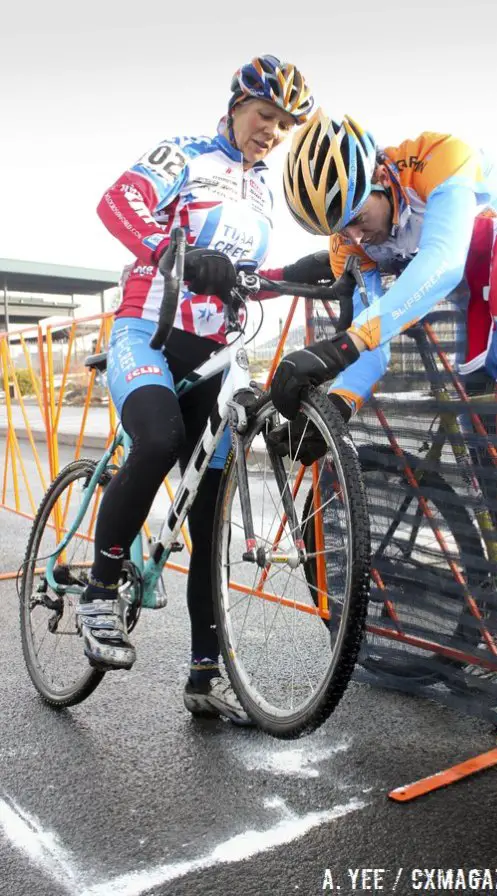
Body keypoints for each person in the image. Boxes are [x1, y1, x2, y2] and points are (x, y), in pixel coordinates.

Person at [270, 109, 497, 689]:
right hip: (472, 316)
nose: (356, 239)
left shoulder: (440, 160)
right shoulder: (352, 240)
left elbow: (440, 265)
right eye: (341, 232)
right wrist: (340, 403)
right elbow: (373, 342)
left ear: (381, 178)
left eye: (359, 219)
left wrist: (352, 337)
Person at [78, 55, 332, 725]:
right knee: (158, 439)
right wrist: (176, 250)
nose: (271, 132)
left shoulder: (261, 192)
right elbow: (118, 202)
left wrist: (296, 271)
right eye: (263, 116)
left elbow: (242, 276)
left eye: (283, 125)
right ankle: (100, 593)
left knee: (210, 518)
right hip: (150, 337)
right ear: (234, 106)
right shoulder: (186, 155)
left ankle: (202, 677)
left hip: (216, 359)